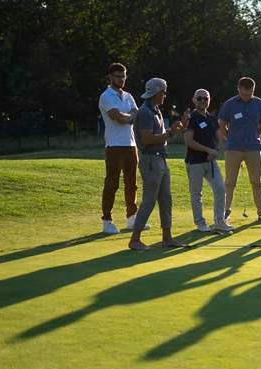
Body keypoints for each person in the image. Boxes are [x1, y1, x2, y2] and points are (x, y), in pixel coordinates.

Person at [128, 78, 186, 250]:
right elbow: (147, 139)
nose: (165, 95)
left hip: (160, 158)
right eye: (163, 92)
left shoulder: (155, 110)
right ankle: (135, 239)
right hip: (151, 160)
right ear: (155, 93)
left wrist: (173, 131)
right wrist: (170, 133)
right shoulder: (145, 112)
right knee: (149, 200)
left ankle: (167, 238)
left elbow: (159, 136)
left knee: (166, 199)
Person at [98, 62, 148, 234]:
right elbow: (117, 117)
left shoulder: (128, 96)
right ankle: (107, 220)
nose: (121, 79)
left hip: (131, 144)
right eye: (118, 76)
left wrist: (129, 117)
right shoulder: (106, 96)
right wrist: (129, 117)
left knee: (132, 184)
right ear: (110, 77)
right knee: (112, 183)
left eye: (124, 76)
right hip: (114, 145)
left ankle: (132, 218)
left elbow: (137, 114)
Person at [218, 77, 261, 224]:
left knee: (257, 182)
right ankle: (224, 212)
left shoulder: (259, 103)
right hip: (233, 149)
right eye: (244, 94)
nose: (247, 97)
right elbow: (222, 123)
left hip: (254, 148)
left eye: (250, 93)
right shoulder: (230, 104)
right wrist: (229, 137)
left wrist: (257, 135)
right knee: (230, 182)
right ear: (239, 89)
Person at [183, 88, 233, 233]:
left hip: (210, 162)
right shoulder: (191, 118)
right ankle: (200, 223)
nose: (203, 101)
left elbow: (219, 137)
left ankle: (219, 222)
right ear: (194, 100)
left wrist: (215, 150)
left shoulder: (211, 119)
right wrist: (208, 150)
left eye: (206, 99)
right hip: (195, 162)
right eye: (199, 98)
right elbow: (189, 141)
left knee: (220, 189)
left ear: (209, 101)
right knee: (196, 194)